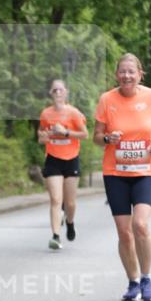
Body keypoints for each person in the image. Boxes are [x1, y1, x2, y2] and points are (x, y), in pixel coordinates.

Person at [94, 53, 151, 301]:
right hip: (115, 173)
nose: (126, 76)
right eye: (122, 72)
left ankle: (147, 278)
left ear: (140, 74)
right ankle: (132, 281)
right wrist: (108, 139)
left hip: (146, 171)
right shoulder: (107, 99)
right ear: (117, 74)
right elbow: (97, 136)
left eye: (131, 71)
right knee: (124, 232)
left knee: (140, 225)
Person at [38, 79, 88, 250]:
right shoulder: (45, 114)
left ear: (66, 93)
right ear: (51, 94)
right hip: (53, 158)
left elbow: (84, 134)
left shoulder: (74, 113)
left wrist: (65, 132)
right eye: (54, 90)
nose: (58, 93)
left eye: (60, 90)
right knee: (55, 199)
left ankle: (70, 221)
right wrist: (43, 137)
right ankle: (56, 236)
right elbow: (42, 134)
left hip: (71, 158)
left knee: (71, 203)